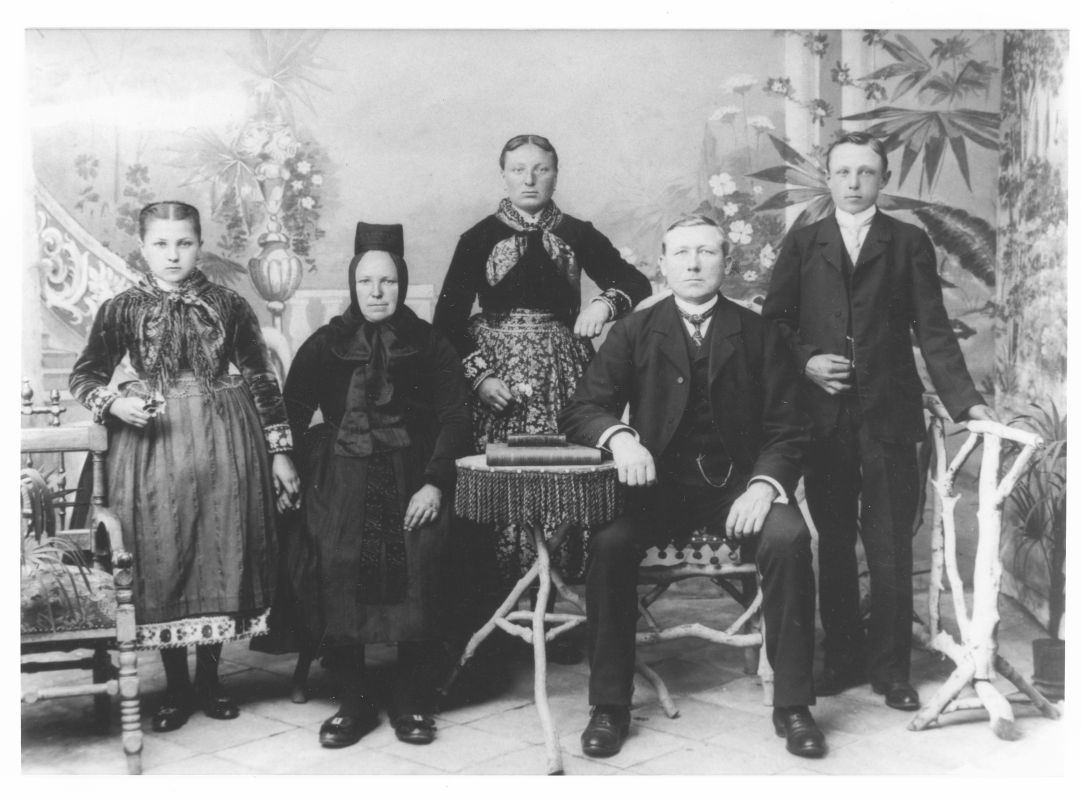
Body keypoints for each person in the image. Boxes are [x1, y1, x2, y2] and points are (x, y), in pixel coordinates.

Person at [559, 215, 825, 760]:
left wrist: (764, 487)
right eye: (682, 253)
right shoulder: (634, 330)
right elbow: (583, 408)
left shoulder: (759, 332)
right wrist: (621, 439)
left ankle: (794, 704)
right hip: (656, 491)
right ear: (663, 263)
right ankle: (609, 705)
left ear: (727, 262)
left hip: (738, 491)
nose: (694, 263)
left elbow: (789, 427)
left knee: (789, 538)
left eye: (707, 252)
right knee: (608, 543)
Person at [762, 131, 995, 712]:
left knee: (890, 542)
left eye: (866, 172)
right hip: (824, 416)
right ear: (828, 178)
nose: (854, 183)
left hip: (889, 412)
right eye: (843, 172)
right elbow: (775, 322)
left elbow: (933, 328)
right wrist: (807, 362)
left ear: (883, 180)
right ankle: (842, 656)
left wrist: (967, 402)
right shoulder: (805, 241)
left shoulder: (908, 242)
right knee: (835, 538)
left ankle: (892, 670)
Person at [69, 200, 301, 733]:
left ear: (199, 245)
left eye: (184, 243)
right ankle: (175, 687)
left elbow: (261, 378)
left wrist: (280, 451)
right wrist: (114, 403)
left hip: (224, 442)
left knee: (220, 548)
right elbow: (85, 376)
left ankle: (210, 681)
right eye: (161, 244)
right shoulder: (121, 308)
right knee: (162, 552)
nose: (173, 255)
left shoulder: (228, 304)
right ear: (143, 248)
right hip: (151, 448)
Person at [432, 134, 652, 658]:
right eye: (518, 170)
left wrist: (603, 303)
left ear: (556, 174)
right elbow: (447, 320)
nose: (529, 180)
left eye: (541, 169)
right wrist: (480, 377)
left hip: (564, 372)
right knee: (500, 485)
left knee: (564, 479)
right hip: (497, 378)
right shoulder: (478, 237)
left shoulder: (577, 233)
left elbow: (634, 281)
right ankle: (497, 614)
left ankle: (557, 608)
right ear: (503, 175)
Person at [277, 222, 472, 748]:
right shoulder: (326, 343)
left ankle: (411, 697)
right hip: (340, 474)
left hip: (415, 473)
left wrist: (435, 484)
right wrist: (283, 459)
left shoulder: (430, 344)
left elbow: (456, 416)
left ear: (401, 284)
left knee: (422, 557)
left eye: (387, 281)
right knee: (336, 556)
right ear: (353, 284)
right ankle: (354, 698)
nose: (377, 292)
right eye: (366, 281)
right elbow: (292, 407)